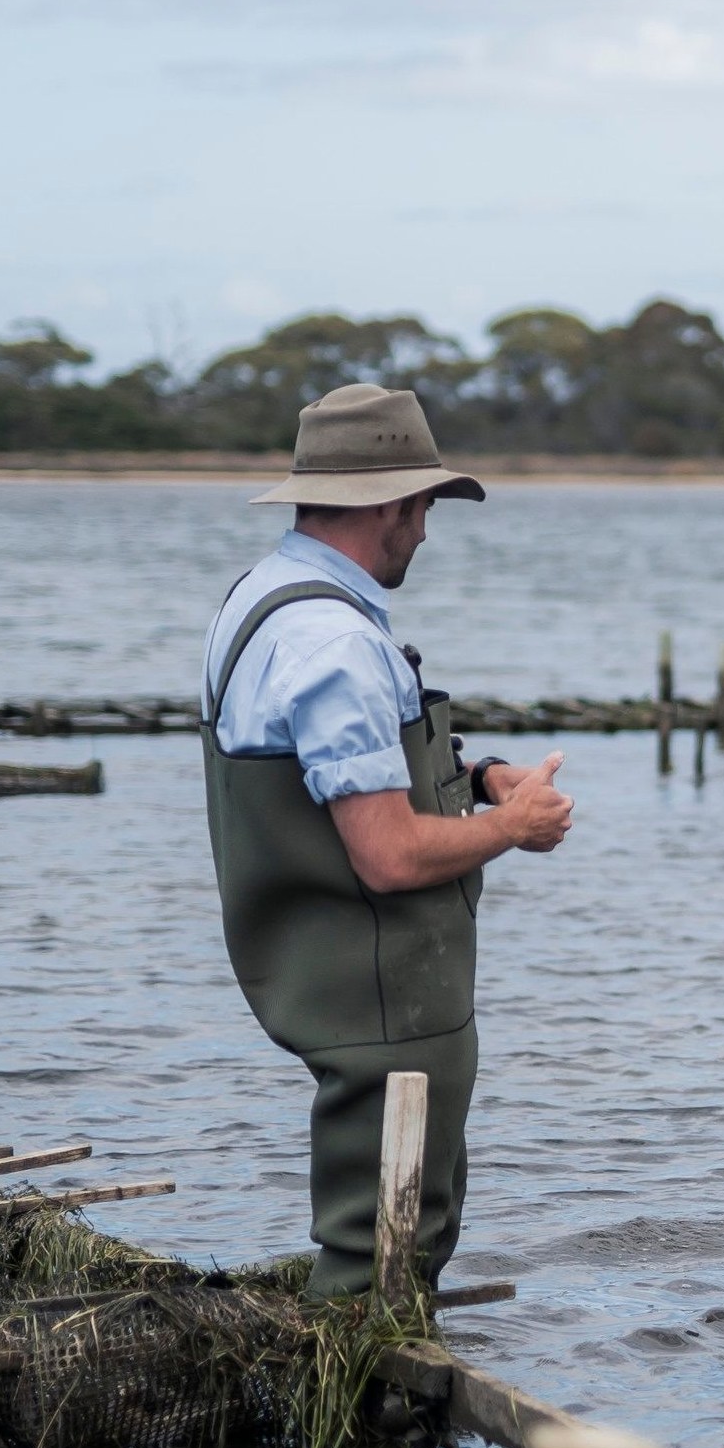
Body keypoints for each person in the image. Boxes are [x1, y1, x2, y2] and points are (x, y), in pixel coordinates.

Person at [200, 383, 573, 1299]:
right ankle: (373, 1429)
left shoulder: (265, 594)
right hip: (380, 991)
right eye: (424, 508)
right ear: (393, 506)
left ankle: (379, 1425)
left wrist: (480, 775)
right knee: (387, 1248)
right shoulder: (333, 641)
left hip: (340, 976)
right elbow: (389, 853)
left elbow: (350, 781)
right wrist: (509, 827)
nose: (425, 531)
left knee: (389, 1225)